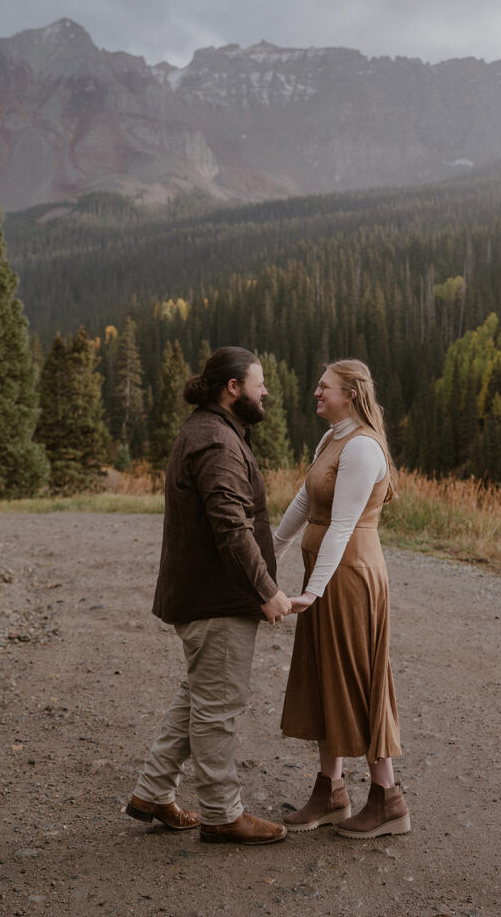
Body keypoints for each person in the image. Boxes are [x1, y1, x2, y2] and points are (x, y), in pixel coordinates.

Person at [126, 346, 292, 845]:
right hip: (217, 601)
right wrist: (267, 590)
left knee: (200, 694)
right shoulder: (217, 442)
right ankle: (222, 813)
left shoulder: (209, 430)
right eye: (259, 384)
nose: (265, 392)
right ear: (233, 388)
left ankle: (153, 792)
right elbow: (230, 527)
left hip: (206, 598)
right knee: (218, 705)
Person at [273, 358, 410, 839]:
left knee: (357, 675)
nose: (316, 392)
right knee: (323, 673)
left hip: (350, 576)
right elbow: (306, 501)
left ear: (350, 393)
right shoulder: (332, 439)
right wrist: (272, 552)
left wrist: (314, 589)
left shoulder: (363, 450)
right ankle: (330, 791)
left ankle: (388, 798)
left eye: (324, 386)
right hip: (328, 573)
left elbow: (343, 525)